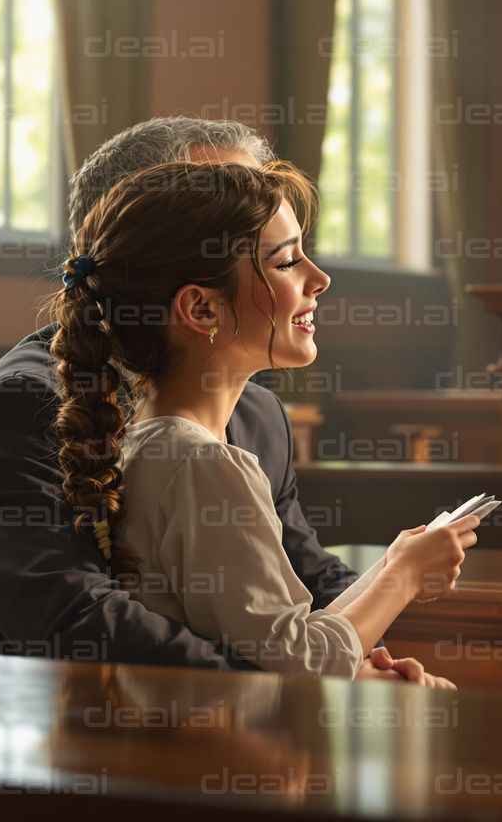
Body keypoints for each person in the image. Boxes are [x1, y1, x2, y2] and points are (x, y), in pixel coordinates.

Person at [0, 116, 455, 685]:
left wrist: (364, 657)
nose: (318, 278)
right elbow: (80, 623)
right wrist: (310, 682)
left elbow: (302, 580)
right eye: (220, 204)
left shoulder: (256, 412)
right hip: (67, 738)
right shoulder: (21, 404)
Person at [42, 158, 477, 677]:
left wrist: (388, 568)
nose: (320, 278)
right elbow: (299, 663)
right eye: (287, 263)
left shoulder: (150, 446)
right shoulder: (205, 466)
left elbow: (273, 643)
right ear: (201, 309)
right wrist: (402, 578)